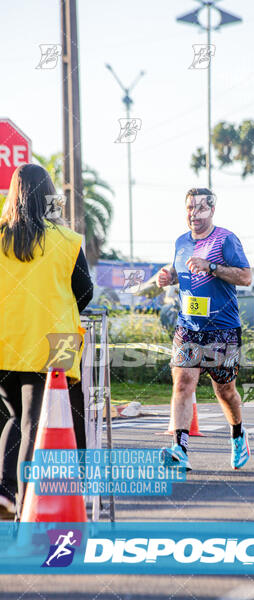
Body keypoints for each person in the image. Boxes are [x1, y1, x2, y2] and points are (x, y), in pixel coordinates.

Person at [0, 163, 93, 519]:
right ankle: (25, 507)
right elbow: (84, 292)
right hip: (55, 344)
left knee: (13, 417)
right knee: (33, 425)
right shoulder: (66, 241)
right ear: (48, 196)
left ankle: (6, 492)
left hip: (6, 341)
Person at [156, 187, 252, 471]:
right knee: (184, 382)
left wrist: (211, 266)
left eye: (200, 208)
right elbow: (180, 271)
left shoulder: (225, 239)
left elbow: (245, 277)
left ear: (212, 210)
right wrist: (168, 276)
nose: (193, 214)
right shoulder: (181, 241)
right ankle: (180, 449)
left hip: (222, 328)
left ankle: (238, 434)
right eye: (189, 208)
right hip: (189, 326)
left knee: (225, 391)